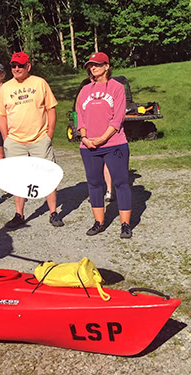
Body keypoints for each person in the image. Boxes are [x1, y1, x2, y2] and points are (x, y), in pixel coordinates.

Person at [0, 52, 64, 228]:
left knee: (48, 175)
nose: (16, 69)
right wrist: (6, 138)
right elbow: (1, 115)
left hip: (39, 139)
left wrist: (49, 134)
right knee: (18, 179)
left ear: (28, 67)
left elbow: (51, 109)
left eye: (20, 65)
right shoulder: (6, 88)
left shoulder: (39, 83)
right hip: (15, 142)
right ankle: (19, 214)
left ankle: (53, 212)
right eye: (13, 66)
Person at [76, 52, 132, 238]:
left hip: (114, 143)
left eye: (97, 64)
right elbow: (80, 117)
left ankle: (125, 224)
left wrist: (101, 139)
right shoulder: (84, 90)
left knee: (121, 183)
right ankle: (99, 222)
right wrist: (84, 137)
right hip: (89, 146)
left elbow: (117, 119)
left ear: (107, 66)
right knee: (94, 183)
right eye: (91, 65)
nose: (93, 68)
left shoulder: (116, 88)